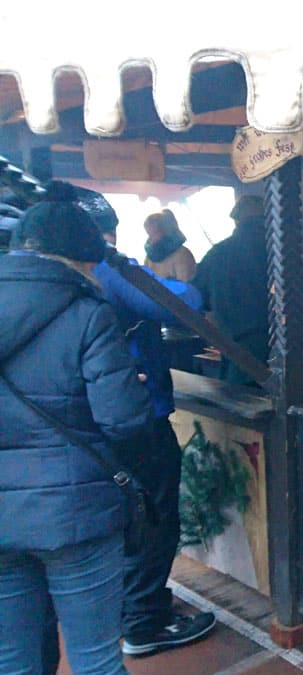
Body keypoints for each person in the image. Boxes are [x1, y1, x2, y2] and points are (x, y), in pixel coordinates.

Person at [0, 182, 152, 674]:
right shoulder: (87, 315)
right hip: (75, 512)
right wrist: (132, 385)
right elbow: (124, 421)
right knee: (96, 661)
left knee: (13, 661)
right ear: (78, 259)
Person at [79, 188, 217, 657]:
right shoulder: (106, 270)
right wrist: (133, 269)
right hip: (135, 414)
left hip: (90, 419)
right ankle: (145, 622)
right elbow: (183, 300)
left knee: (124, 518)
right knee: (151, 516)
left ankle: (131, 607)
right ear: (107, 234)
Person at [192, 194, 303, 386]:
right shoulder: (284, 252)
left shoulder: (217, 254)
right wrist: (296, 337)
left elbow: (195, 300)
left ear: (237, 221)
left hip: (239, 358)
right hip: (288, 358)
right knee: (291, 409)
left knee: (245, 408)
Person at [142, 209, 197, 282]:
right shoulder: (149, 259)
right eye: (149, 235)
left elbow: (185, 287)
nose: (152, 240)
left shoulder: (181, 255)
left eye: (155, 233)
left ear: (166, 231)